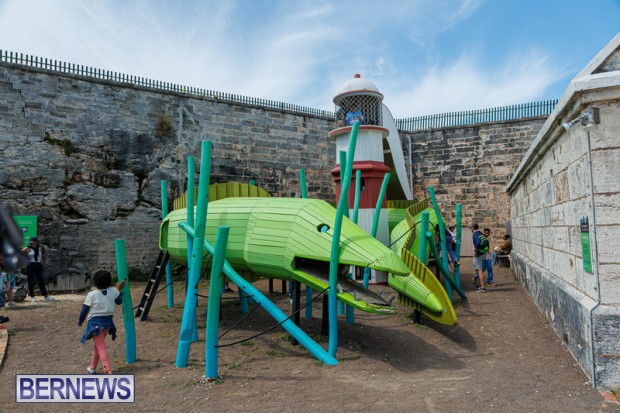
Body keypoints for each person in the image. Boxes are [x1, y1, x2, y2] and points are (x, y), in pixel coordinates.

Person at [78, 270, 126, 375]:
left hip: (95, 324)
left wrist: (80, 321)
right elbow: (119, 301)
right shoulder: (113, 291)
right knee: (98, 346)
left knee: (101, 348)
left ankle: (108, 371)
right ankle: (92, 368)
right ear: (109, 280)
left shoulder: (91, 294)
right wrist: (119, 290)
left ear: (95, 282)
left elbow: (84, 310)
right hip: (108, 324)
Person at [22, 237, 53, 302]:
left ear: (36, 242)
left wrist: (41, 264)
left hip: (38, 265)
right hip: (30, 265)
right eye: (30, 243)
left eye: (32, 243)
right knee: (31, 281)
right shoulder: (27, 248)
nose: (31, 244)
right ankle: (32, 296)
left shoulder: (40, 248)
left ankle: (46, 296)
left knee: (41, 280)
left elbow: (41, 257)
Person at [470, 223, 487, 292]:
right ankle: (481, 285)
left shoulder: (475, 234)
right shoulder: (480, 233)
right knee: (479, 270)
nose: (470, 229)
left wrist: (475, 250)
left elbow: (478, 242)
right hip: (482, 253)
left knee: (479, 270)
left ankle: (482, 287)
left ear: (473, 227)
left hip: (478, 254)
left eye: (470, 227)